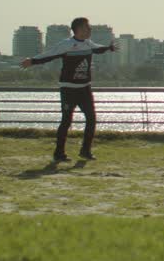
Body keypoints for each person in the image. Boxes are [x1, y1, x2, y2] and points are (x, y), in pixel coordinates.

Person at [20, 17, 117, 162]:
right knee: (66, 121)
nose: (90, 29)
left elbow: (97, 48)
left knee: (91, 119)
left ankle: (85, 151)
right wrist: (32, 61)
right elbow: (49, 55)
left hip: (84, 88)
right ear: (78, 29)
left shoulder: (88, 43)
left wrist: (109, 48)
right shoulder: (66, 44)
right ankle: (59, 154)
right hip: (68, 89)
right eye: (87, 27)